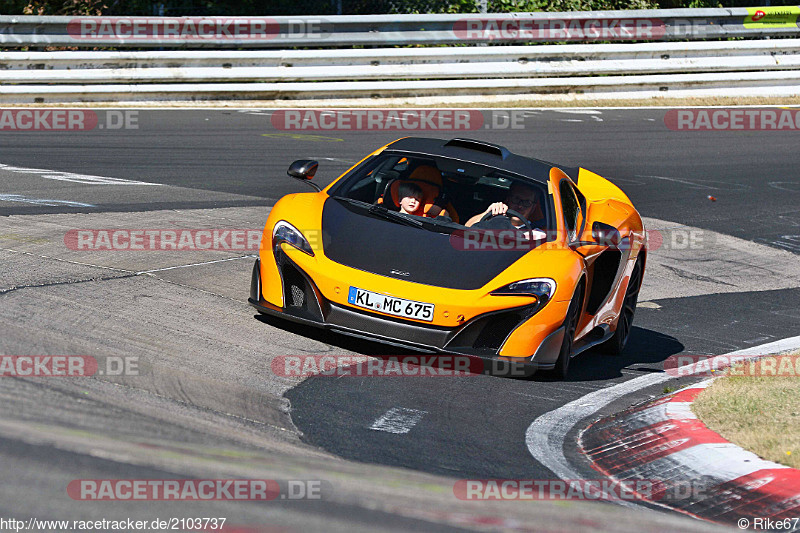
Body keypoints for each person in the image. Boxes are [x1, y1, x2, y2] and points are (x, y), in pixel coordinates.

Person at [465, 181, 544, 230]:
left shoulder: (537, 234)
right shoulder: (490, 221)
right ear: (508, 200)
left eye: (527, 202)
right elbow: (466, 228)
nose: (520, 206)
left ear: (533, 208)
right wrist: (487, 213)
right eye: (516, 199)